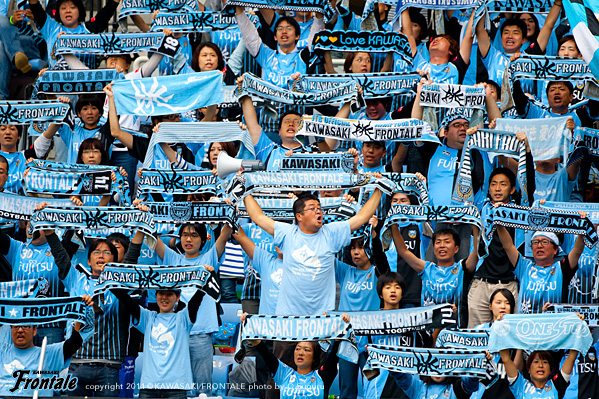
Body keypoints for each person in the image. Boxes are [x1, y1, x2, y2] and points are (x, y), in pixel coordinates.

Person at [111, 268, 214, 399]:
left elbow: (197, 298)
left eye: (169, 294)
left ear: (177, 298)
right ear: (156, 295)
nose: (164, 297)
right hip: (149, 387)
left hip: (176, 388)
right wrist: (108, 275)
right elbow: (125, 299)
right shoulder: (147, 317)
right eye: (161, 293)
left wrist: (207, 274)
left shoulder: (183, 319)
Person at [0, 295, 94, 397]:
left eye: (25, 326)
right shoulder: (2, 351)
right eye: (16, 326)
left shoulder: (48, 354)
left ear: (34, 330)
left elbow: (75, 342)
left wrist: (84, 308)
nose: (20, 330)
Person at [243, 313, 349, 399]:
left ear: (314, 357)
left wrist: (341, 324)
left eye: (306, 350)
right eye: (297, 349)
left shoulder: (322, 376)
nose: (300, 352)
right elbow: (263, 350)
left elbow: (333, 356)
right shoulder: (283, 373)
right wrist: (249, 323)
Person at [392, 227, 480, 325]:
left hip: (456, 334)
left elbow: (477, 252)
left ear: (456, 248)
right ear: (433, 249)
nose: (442, 246)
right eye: (438, 242)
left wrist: (475, 224)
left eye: (447, 242)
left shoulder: (462, 268)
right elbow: (402, 251)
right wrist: (393, 225)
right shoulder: (426, 269)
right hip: (429, 332)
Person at [467, 168, 521, 327]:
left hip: (509, 284)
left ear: (512, 189)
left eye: (503, 184)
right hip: (481, 282)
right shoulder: (481, 208)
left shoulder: (519, 212)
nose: (497, 188)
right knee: (476, 337)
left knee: (509, 336)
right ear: (488, 188)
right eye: (493, 184)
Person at [496, 224, 585, 314]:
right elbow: (508, 246)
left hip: (553, 325)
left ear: (555, 249)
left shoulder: (562, 269)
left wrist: (583, 229)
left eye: (545, 242)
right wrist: (499, 224)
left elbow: (577, 250)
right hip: (526, 325)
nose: (539, 246)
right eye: (535, 242)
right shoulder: (523, 266)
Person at [499, 316, 579, 398]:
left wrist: (576, 321)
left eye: (545, 362)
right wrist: (501, 325)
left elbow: (572, 357)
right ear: (529, 369)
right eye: (536, 362)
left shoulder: (557, 386)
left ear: (551, 369)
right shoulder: (520, 386)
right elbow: (506, 359)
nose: (540, 366)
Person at [471, 289, 522, 399]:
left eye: (507, 303)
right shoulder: (479, 330)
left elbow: (518, 370)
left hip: (506, 391)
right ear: (490, 306)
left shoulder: (517, 333)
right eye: (498, 302)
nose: (503, 306)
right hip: (481, 392)